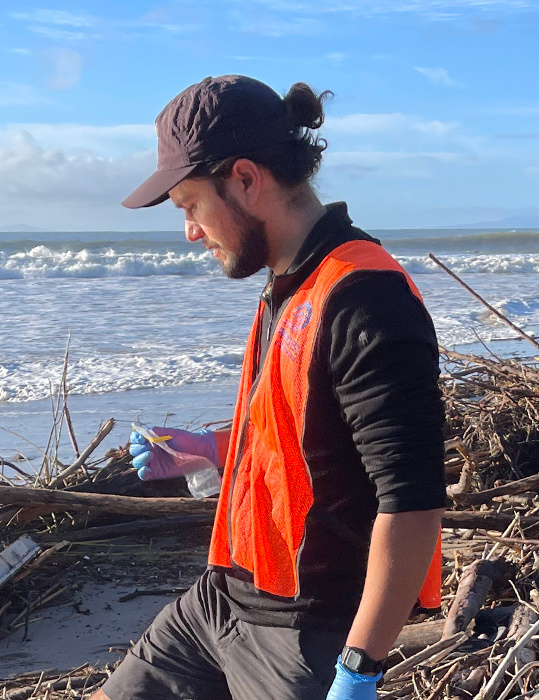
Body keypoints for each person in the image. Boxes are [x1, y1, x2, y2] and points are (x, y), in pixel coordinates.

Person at [95, 75, 447, 700]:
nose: (191, 233)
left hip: (306, 631)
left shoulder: (365, 297)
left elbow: (413, 503)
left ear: (246, 180)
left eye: (189, 206)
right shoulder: (289, 281)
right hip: (220, 600)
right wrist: (210, 450)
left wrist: (359, 669)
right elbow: (302, 435)